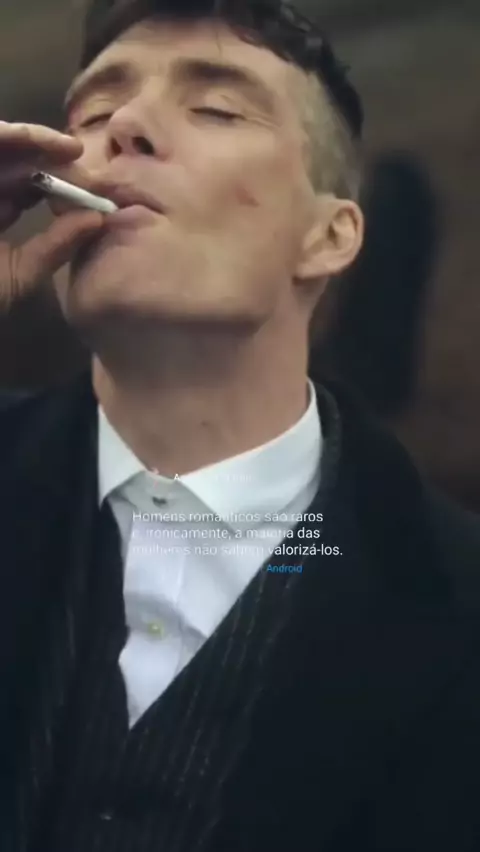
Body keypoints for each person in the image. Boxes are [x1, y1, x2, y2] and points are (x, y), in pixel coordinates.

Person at [2, 1, 480, 851]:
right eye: (96, 115)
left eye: (217, 109)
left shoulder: (456, 600)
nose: (126, 127)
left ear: (328, 236)